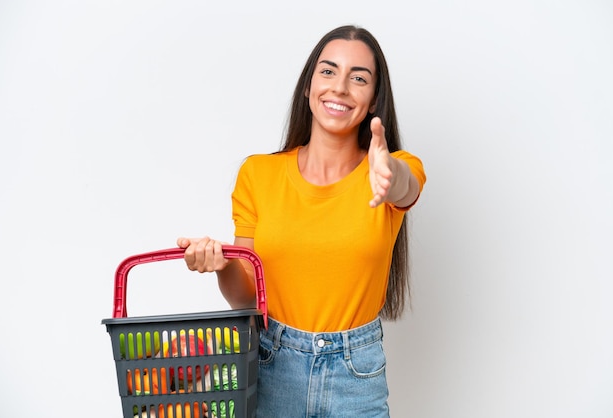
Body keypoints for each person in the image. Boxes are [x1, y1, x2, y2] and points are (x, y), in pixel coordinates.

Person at [177, 24, 426, 417]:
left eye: (358, 78)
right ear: (308, 86)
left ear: (375, 99)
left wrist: (389, 171)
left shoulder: (394, 170)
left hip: (356, 376)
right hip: (273, 365)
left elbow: (406, 188)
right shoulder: (258, 175)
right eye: (328, 71)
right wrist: (222, 266)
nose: (340, 87)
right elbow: (247, 297)